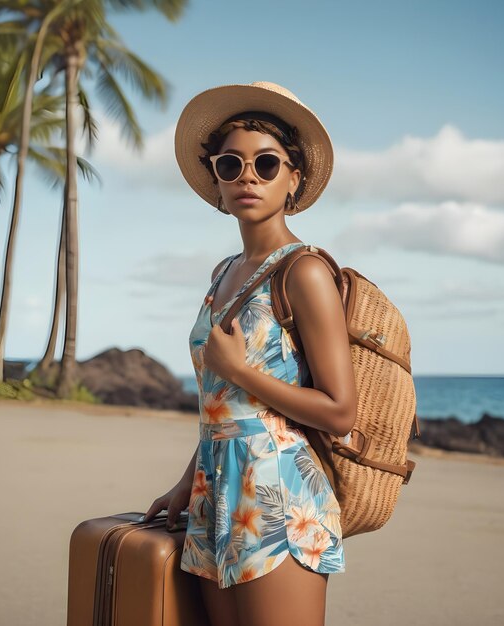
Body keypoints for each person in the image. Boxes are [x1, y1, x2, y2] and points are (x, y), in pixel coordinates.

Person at [143, 81, 357, 626]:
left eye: (266, 164)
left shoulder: (304, 272)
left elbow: (339, 410)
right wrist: (184, 481)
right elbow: (222, 401)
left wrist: (240, 368)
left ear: (294, 179)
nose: (247, 178)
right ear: (215, 178)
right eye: (230, 164)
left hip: (279, 494)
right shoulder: (222, 274)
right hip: (214, 489)